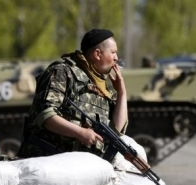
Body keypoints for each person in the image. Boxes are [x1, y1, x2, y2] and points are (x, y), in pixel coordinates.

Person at [18, 28, 128, 159]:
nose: (116, 58)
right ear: (98, 54)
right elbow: (46, 115)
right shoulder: (63, 72)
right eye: (113, 52)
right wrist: (80, 133)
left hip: (81, 165)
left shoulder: (103, 86)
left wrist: (121, 93)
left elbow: (116, 131)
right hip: (49, 159)